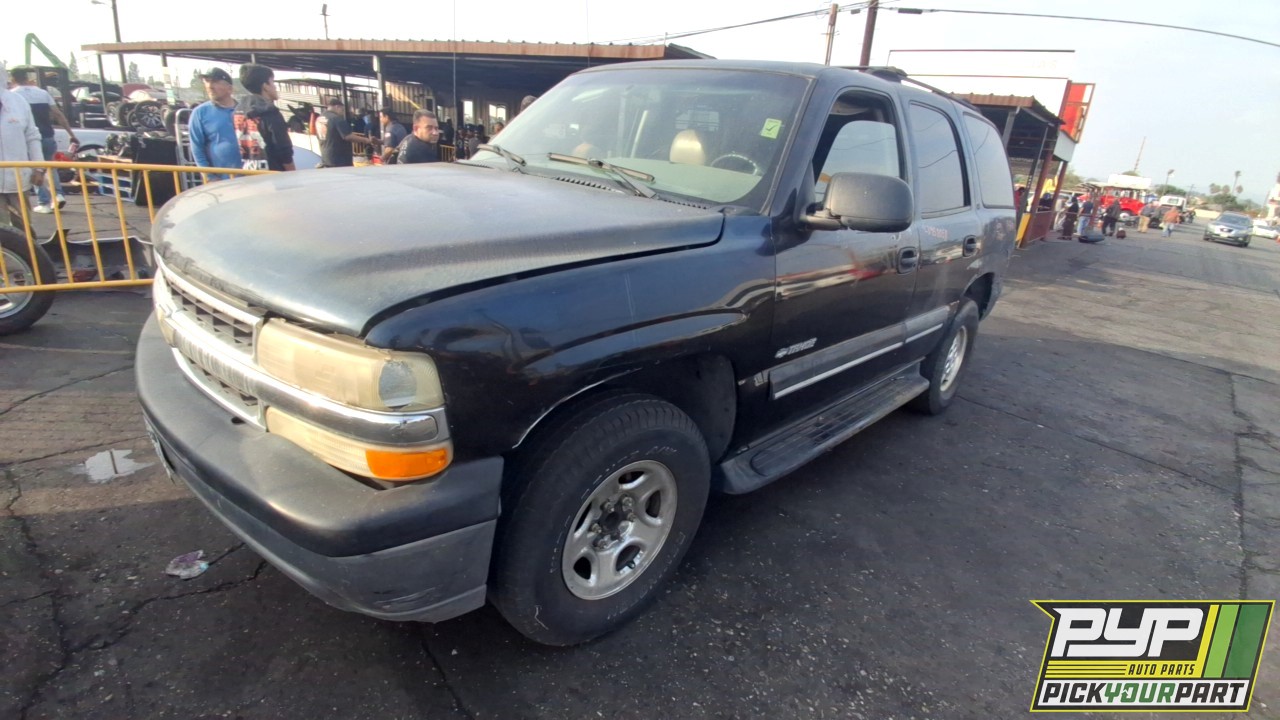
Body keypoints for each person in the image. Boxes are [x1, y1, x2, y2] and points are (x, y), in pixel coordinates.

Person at [9, 67, 76, 213]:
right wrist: (70, 133)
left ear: (13, 79)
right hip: (47, 136)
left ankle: (44, 202)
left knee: (35, 170)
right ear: (27, 78)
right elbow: (58, 114)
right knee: (50, 168)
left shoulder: (13, 96)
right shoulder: (42, 93)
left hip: (28, 139)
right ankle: (58, 195)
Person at [0, 69, 47, 228]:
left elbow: (32, 136)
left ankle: (28, 251)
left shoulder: (18, 102)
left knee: (24, 229)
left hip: (18, 180)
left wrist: (39, 168)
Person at [235, 64, 295, 172]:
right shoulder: (270, 112)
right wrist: (293, 173)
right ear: (265, 86)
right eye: (272, 82)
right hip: (274, 175)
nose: (275, 87)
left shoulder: (238, 111)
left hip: (249, 172)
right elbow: (283, 150)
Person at [188, 68, 242, 177]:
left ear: (230, 89)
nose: (210, 86)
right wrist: (209, 177)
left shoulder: (244, 110)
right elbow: (197, 148)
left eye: (215, 82)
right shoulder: (200, 113)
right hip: (222, 181)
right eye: (207, 82)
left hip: (251, 178)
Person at [318, 97, 376, 168]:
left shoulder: (319, 118)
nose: (342, 112)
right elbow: (348, 136)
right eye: (342, 110)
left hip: (326, 157)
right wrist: (366, 140)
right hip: (339, 159)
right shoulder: (336, 118)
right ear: (337, 107)